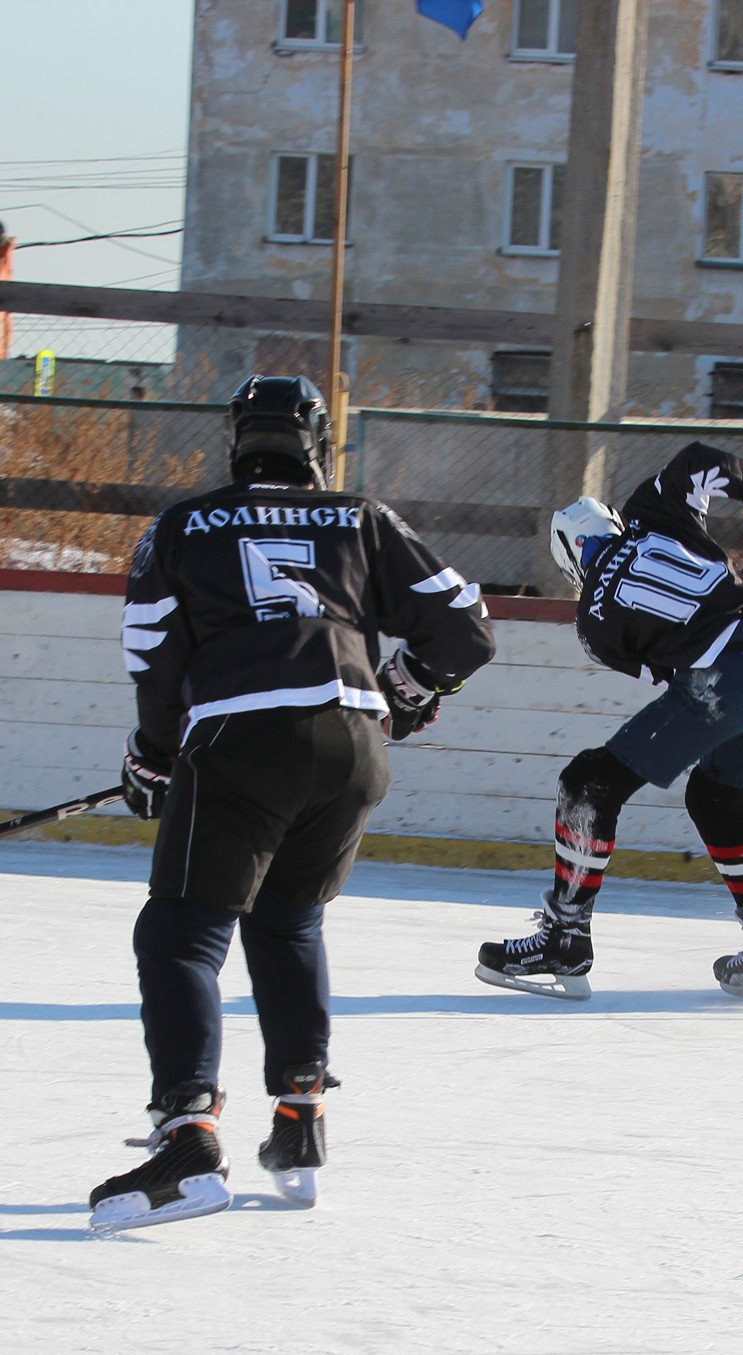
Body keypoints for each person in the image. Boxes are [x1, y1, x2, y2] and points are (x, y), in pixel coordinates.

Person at [89, 374, 496, 1232]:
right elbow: (467, 625)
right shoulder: (362, 516)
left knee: (180, 935)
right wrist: (411, 684)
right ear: (318, 440)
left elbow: (151, 653)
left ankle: (187, 1134)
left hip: (240, 744)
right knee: (288, 923)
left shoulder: (179, 525)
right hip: (352, 747)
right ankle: (299, 1118)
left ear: (237, 438)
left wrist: (154, 755)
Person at [475, 443, 743, 1004]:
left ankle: (564, 938)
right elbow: (700, 459)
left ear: (570, 556)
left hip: (735, 673)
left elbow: (687, 679)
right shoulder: (652, 511)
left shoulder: (593, 622)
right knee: (716, 797)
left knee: (589, 785)